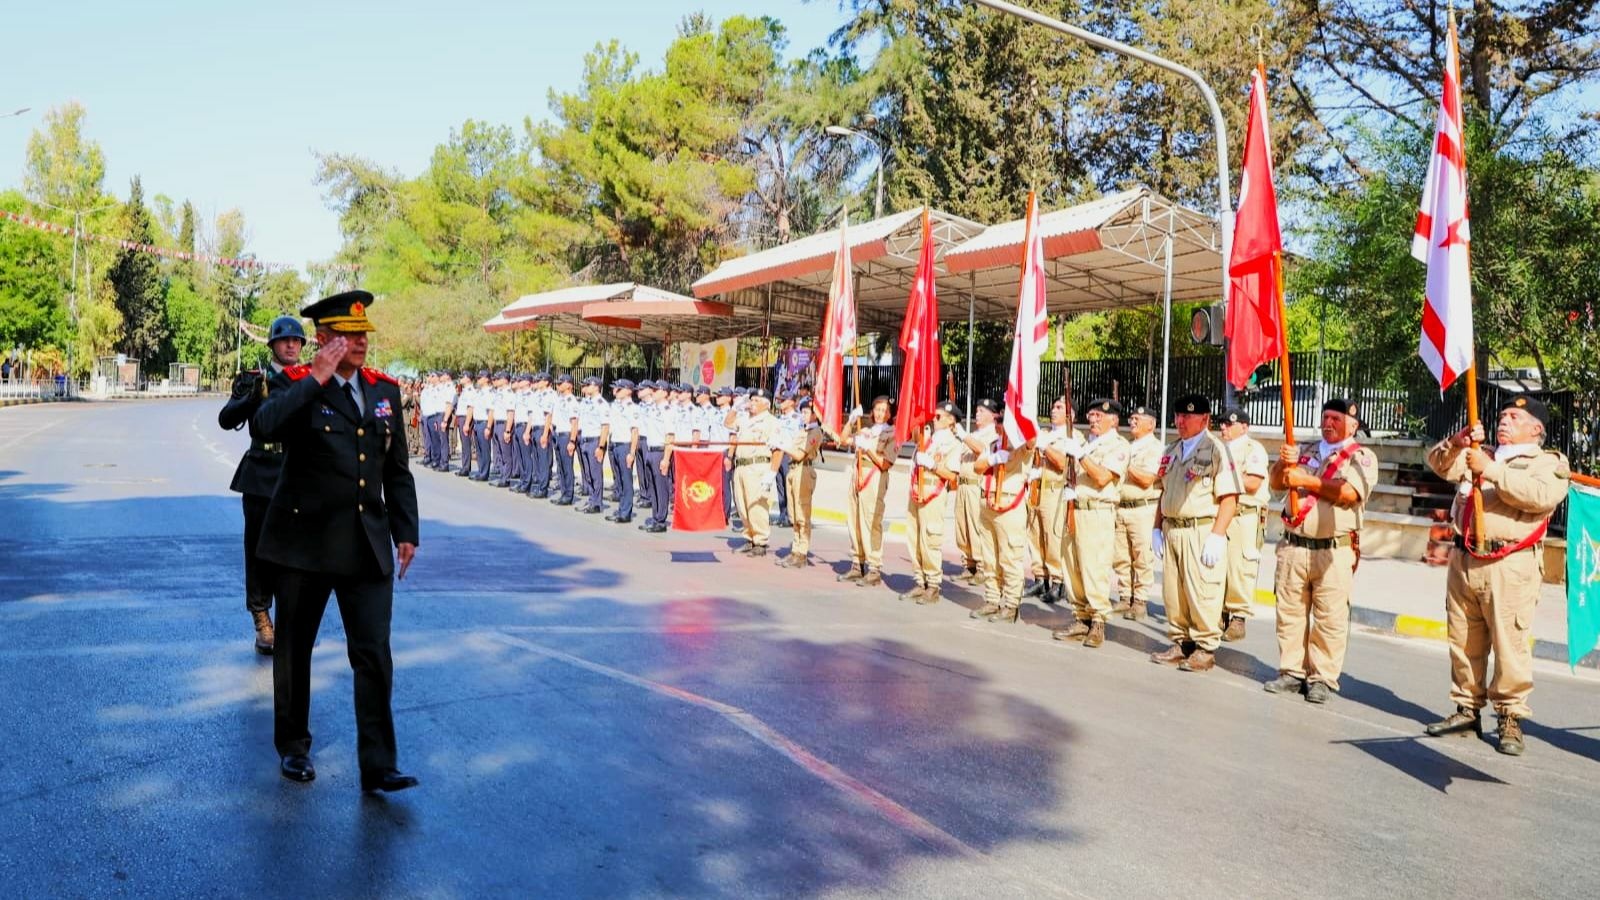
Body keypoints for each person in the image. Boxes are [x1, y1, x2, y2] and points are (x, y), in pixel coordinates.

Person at [251, 290, 419, 793]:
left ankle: (379, 764)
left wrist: (406, 531)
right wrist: (316, 379)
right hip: (305, 543)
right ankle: (293, 746)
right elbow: (264, 425)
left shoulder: (384, 391)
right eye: (348, 335)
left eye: (363, 334)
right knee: (294, 650)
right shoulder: (298, 382)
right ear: (323, 340)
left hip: (366, 544)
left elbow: (397, 468)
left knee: (373, 654)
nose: (360, 343)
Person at [1423, 395, 1568, 755]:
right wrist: (1457, 442)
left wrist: (1491, 471)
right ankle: (1466, 708)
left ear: (1536, 429)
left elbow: (1541, 496)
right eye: (1503, 415)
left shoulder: (1547, 462)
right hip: (1465, 557)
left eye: (1515, 417)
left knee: (1509, 643)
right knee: (1464, 639)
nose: (1504, 420)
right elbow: (1438, 464)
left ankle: (1510, 717)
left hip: (1510, 563)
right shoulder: (1480, 452)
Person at [1263, 398, 1379, 704]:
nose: (1328, 423)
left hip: (1332, 549)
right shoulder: (1306, 450)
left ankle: (1322, 678)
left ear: (1352, 425)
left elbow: (1349, 493)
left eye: (1336, 419)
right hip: (1294, 545)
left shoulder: (1361, 458)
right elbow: (1276, 483)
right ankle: (1292, 671)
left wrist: (1306, 480)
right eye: (1326, 417)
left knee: (1329, 617)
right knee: (1290, 612)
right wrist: (1283, 463)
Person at [217, 314, 305, 654]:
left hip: (297, 474)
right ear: (272, 345)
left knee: (295, 551)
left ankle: (291, 617)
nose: (291, 345)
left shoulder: (309, 379)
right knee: (258, 549)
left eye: (296, 340)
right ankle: (261, 616)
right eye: (285, 340)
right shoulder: (255, 378)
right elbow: (226, 419)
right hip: (261, 474)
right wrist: (250, 398)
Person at [1149, 394, 1241, 673]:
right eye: (1178, 415)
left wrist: (1217, 535)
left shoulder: (1216, 450)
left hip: (1200, 530)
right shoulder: (1172, 449)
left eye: (1188, 416)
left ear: (1205, 419)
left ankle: (1205, 647)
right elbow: (1163, 491)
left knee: (1202, 591)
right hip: (1172, 528)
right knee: (1174, 592)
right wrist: (1156, 527)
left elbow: (1229, 498)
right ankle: (1182, 642)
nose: (1181, 421)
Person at [1052, 398, 1130, 649]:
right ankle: (1081, 617)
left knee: (1094, 567)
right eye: (1091, 415)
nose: (1093, 420)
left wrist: (1081, 455)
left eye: (1099, 416)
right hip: (1075, 508)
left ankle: (1097, 620)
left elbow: (1102, 477)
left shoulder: (1118, 445)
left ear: (1113, 420)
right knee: (1072, 566)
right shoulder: (1087, 443)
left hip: (1097, 512)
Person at [972, 422, 1035, 623]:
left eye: (1004, 421)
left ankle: (1011, 604)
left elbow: (1032, 441)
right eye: (999, 421)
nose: (1000, 426)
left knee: (1010, 558)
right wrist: (993, 458)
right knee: (989, 558)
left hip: (1009, 504)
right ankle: (992, 599)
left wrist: (1024, 422)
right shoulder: (993, 445)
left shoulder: (1021, 445)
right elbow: (977, 467)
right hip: (988, 502)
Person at [901, 401, 964, 603]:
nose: (934, 420)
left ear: (951, 420)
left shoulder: (953, 444)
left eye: (938, 417)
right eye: (934, 416)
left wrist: (933, 465)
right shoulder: (928, 438)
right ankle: (920, 581)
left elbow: (953, 476)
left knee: (930, 539)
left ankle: (933, 584)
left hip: (933, 494)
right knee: (914, 538)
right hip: (916, 491)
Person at [1218, 407, 1270, 641]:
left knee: (1241, 566)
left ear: (1244, 427)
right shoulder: (1218, 449)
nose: (1224, 428)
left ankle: (1238, 617)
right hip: (1221, 512)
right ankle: (1220, 613)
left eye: (1229, 424)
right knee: (1218, 564)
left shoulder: (1252, 449)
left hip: (1244, 515)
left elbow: (1252, 483)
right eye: (1222, 423)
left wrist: (1223, 477)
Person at [836, 396, 897, 587]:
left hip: (874, 476)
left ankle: (874, 567)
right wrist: (851, 420)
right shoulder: (866, 431)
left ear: (890, 414)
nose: (880, 414)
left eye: (884, 410)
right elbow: (843, 439)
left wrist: (868, 449)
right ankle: (857, 563)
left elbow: (885, 464)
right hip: (858, 473)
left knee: (870, 522)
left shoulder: (892, 434)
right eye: (877, 409)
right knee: (854, 519)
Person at [1114, 404, 1163, 622]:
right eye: (1132, 418)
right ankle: (1125, 596)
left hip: (1143, 508)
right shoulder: (1127, 446)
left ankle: (1140, 601)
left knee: (1142, 557)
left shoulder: (1155, 449)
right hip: (1122, 506)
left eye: (1138, 419)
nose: (1132, 422)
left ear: (1151, 424)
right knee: (1121, 557)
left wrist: (1125, 464)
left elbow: (1146, 480)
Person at [1027, 398, 1075, 603]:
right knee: (1035, 534)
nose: (1053, 410)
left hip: (1055, 490)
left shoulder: (1071, 436)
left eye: (1059, 408)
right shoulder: (1046, 433)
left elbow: (1064, 463)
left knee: (1053, 536)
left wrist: (1045, 447)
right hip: (1037, 488)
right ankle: (1040, 577)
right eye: (1053, 406)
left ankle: (1058, 580)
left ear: (1070, 415)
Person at [954, 399, 1001, 587]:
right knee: (962, 527)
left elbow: (983, 451)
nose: (978, 414)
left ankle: (982, 566)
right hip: (963, 485)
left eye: (982, 411)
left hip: (977, 485)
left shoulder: (993, 435)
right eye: (977, 410)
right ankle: (969, 564)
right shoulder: (973, 434)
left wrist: (964, 436)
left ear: (993, 415)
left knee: (976, 527)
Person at [730, 388, 781, 555]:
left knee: (756, 506)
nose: (752, 403)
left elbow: (778, 449)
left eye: (756, 401)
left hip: (758, 467)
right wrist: (735, 407)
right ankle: (749, 538)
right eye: (751, 400)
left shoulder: (771, 422)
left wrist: (772, 473)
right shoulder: (745, 419)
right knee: (742, 505)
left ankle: (760, 541)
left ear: (766, 404)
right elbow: (728, 423)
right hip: (741, 466)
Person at [775, 397, 825, 566]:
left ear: (815, 415)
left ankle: (802, 552)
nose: (803, 415)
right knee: (794, 514)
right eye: (802, 412)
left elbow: (798, 454)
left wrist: (782, 445)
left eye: (806, 412)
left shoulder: (815, 432)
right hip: (794, 470)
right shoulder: (803, 431)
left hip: (804, 470)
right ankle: (795, 550)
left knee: (802, 514)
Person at [602, 379, 639, 524]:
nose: (615, 391)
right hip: (616, 445)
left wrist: (632, 453)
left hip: (625, 446)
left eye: (619, 389)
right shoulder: (617, 407)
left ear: (628, 391)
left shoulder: (632, 408)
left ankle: (626, 512)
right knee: (619, 480)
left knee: (626, 480)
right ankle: (621, 509)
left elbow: (635, 432)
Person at [549, 374, 580, 505]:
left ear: (569, 385)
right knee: (560, 467)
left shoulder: (572, 401)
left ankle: (568, 495)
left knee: (567, 467)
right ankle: (563, 492)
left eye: (561, 383)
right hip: (557, 434)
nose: (558, 385)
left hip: (566, 435)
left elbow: (574, 423)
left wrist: (572, 441)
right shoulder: (559, 399)